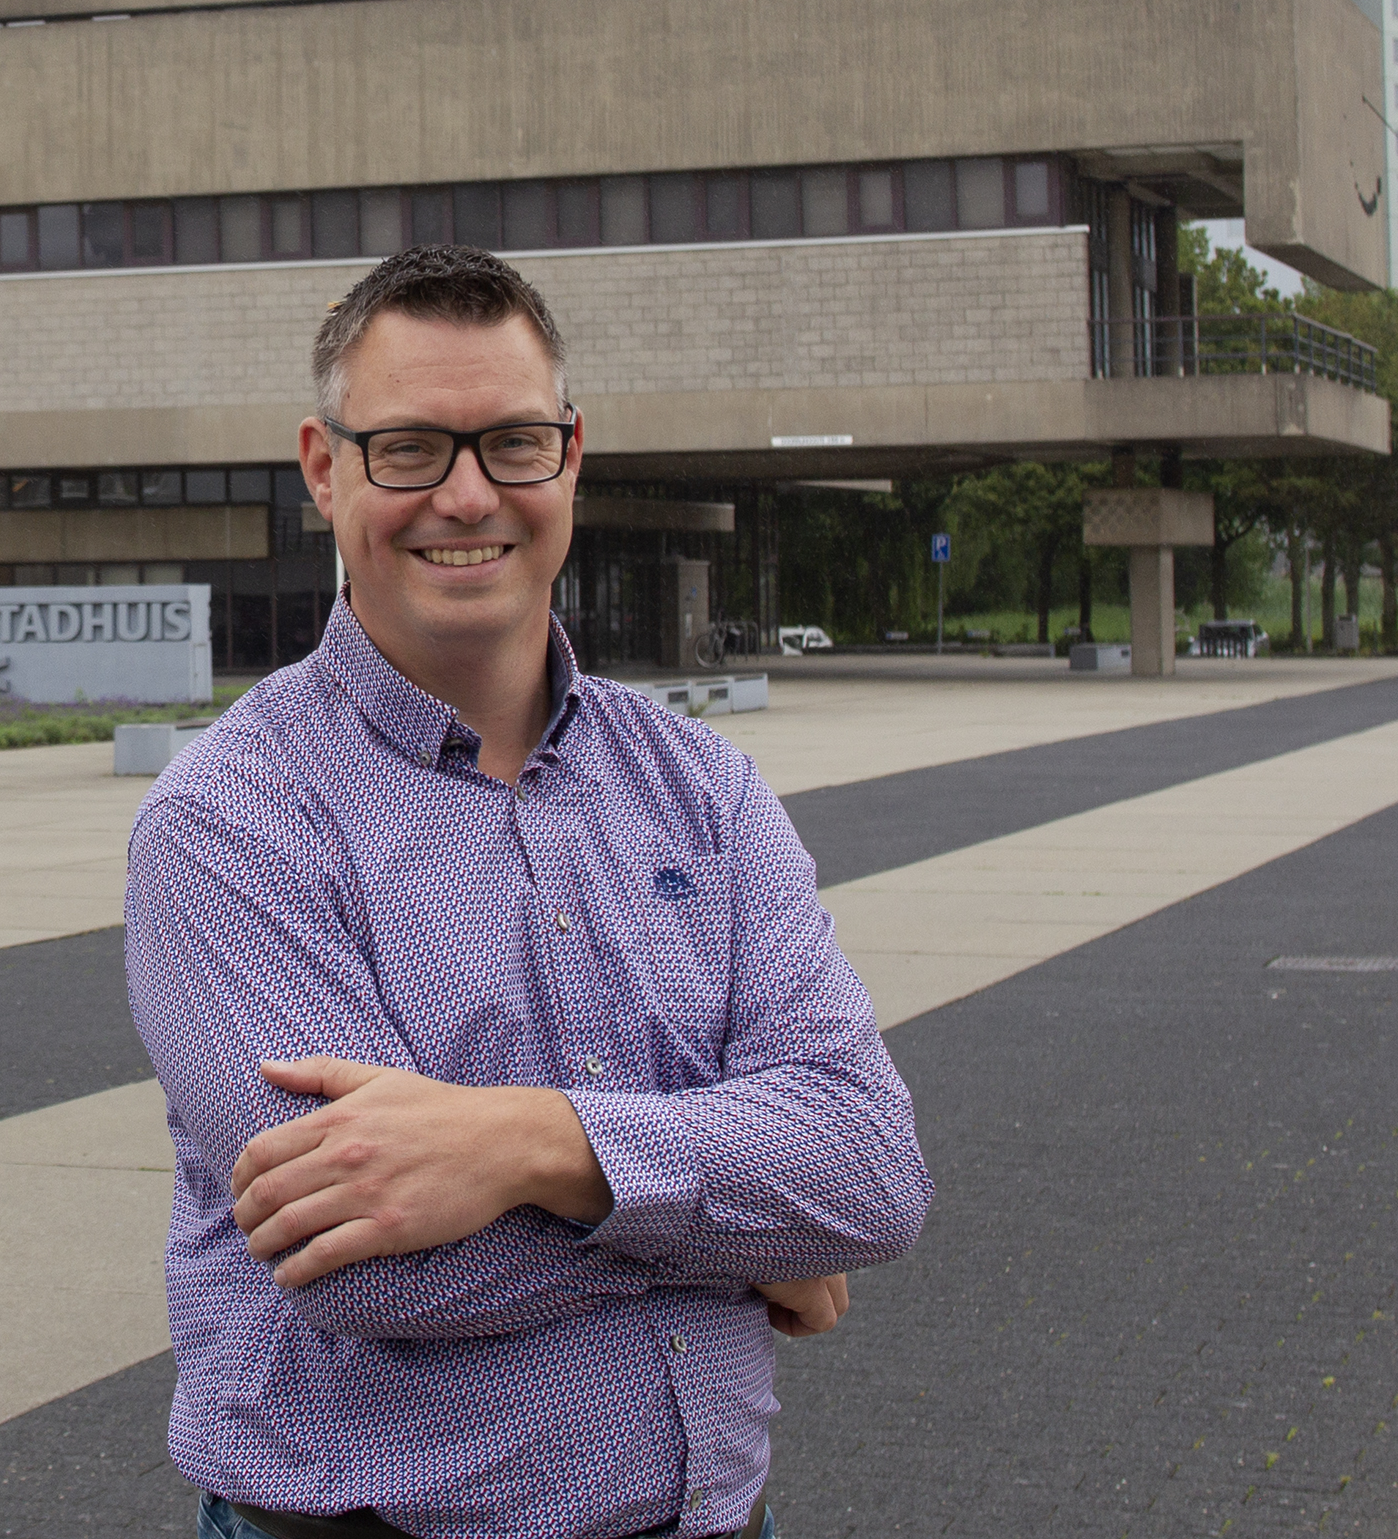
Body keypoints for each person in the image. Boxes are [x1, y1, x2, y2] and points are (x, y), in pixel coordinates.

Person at [126, 246, 931, 1539]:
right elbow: (373, 1262)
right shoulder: (230, 821)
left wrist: (524, 1148)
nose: (464, 493)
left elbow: (872, 1166)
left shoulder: (702, 787)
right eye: (408, 448)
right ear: (325, 469)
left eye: (508, 441)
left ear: (569, 457)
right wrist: (753, 1232)